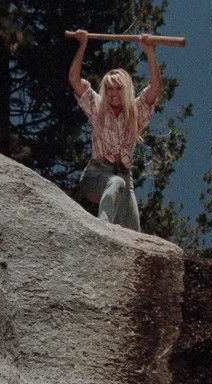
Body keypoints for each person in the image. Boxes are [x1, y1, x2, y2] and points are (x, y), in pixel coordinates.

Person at [68, 29, 162, 232]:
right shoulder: (98, 107)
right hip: (96, 175)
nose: (113, 93)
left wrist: (150, 53)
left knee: (133, 232)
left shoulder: (135, 112)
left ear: (125, 90)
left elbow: (155, 88)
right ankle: (103, 229)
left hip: (124, 176)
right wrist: (83, 44)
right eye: (109, 89)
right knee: (115, 182)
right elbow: (74, 80)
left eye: (118, 88)